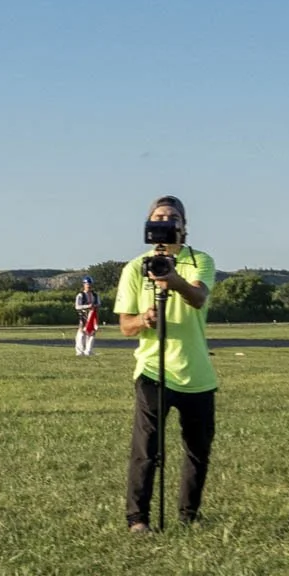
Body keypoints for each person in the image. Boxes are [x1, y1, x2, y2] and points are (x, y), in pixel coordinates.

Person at [115, 196, 219, 533]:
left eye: (172, 216)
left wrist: (170, 279)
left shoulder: (200, 260)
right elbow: (124, 326)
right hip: (152, 370)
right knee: (146, 449)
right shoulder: (134, 267)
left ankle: (189, 516)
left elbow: (198, 297)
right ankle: (138, 520)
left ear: (183, 227)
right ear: (148, 224)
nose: (165, 220)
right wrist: (144, 319)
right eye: (158, 216)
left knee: (197, 450)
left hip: (197, 372)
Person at [75, 275, 102, 357]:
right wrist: (87, 306)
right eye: (87, 284)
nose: (89, 285)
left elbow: (99, 304)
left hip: (93, 316)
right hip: (83, 316)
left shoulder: (95, 295)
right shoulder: (80, 295)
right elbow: (77, 306)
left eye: (90, 284)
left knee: (92, 333)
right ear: (84, 284)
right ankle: (80, 351)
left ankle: (88, 350)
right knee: (82, 333)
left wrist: (95, 306)